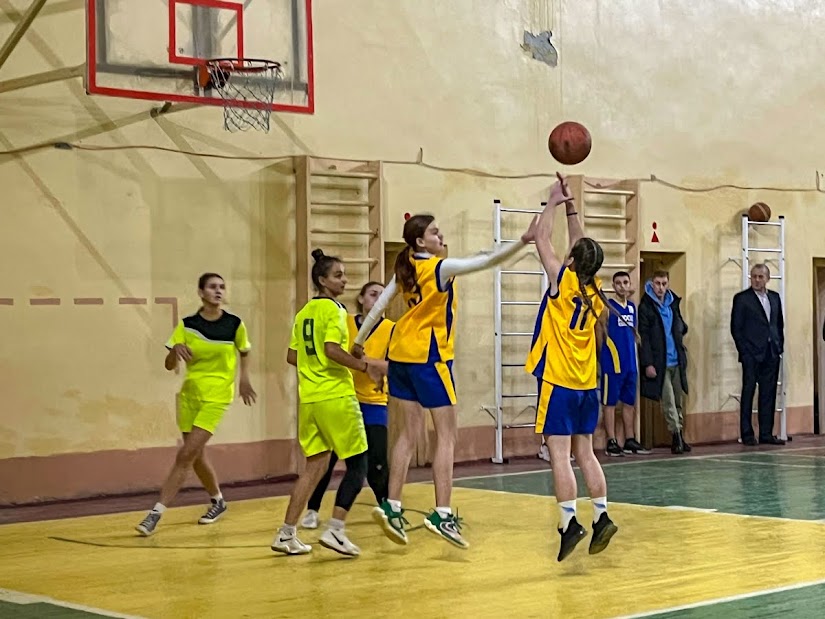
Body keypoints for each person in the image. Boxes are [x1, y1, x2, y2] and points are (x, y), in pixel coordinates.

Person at [353, 212, 538, 549]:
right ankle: (441, 513)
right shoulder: (438, 267)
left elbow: (379, 306)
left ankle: (392, 506)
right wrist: (522, 241)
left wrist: (359, 341)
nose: (441, 236)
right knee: (447, 437)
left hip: (400, 357)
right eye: (435, 232)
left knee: (408, 434)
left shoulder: (406, 265)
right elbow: (486, 261)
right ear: (421, 241)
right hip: (429, 358)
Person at [526, 174, 618, 562]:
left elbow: (541, 237)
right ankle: (601, 515)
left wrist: (550, 202)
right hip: (586, 386)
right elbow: (578, 245)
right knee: (587, 454)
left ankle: (568, 524)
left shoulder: (561, 282)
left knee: (560, 457)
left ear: (571, 262)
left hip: (559, 384)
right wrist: (571, 206)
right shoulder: (596, 293)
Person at [271, 250, 385, 557]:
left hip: (310, 399)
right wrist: (366, 367)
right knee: (359, 464)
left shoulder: (304, 312)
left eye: (345, 274)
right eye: (338, 275)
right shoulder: (334, 311)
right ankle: (336, 529)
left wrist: (319, 365)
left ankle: (286, 534)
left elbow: (293, 356)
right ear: (322, 280)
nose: (344, 279)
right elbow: (332, 350)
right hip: (335, 396)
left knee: (314, 468)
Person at [135, 273, 256, 536]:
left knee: (185, 454)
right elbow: (169, 365)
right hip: (190, 395)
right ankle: (218, 501)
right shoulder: (187, 325)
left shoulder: (235, 323)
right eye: (213, 287)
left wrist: (244, 379)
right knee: (197, 455)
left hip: (217, 396)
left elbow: (245, 351)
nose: (219, 291)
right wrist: (174, 350)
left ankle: (155, 513)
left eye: (222, 287)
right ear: (201, 292)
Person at [300, 281, 394, 529]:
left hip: (374, 401)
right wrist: (359, 364)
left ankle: (388, 508)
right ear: (361, 298)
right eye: (373, 294)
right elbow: (331, 351)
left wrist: (367, 362)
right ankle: (312, 509)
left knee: (376, 461)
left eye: (383, 296)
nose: (378, 299)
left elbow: (394, 366)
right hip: (342, 397)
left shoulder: (391, 329)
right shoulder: (344, 320)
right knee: (327, 459)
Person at [730, 263, 785, 446]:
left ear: (767, 279)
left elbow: (778, 325)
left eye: (760, 277)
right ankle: (747, 434)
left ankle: (766, 434)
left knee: (768, 394)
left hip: (771, 353)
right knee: (748, 392)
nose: (756, 280)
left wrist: (779, 346)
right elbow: (736, 328)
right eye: (754, 276)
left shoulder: (775, 298)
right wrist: (744, 352)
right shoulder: (742, 299)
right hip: (751, 354)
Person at [638, 271, 690, 454]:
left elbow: (680, 325)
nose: (661, 287)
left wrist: (681, 328)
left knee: (678, 401)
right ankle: (675, 435)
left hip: (676, 359)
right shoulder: (645, 307)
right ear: (652, 284)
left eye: (664, 283)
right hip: (659, 363)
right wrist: (648, 363)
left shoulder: (673, 303)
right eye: (657, 283)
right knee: (667, 401)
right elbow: (643, 338)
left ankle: (681, 434)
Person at [601, 271, 649, 456]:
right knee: (610, 403)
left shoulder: (631, 307)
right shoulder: (607, 307)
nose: (622, 286)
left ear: (630, 285)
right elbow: (600, 334)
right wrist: (602, 359)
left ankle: (630, 439)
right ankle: (611, 441)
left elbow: (634, 334)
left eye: (625, 282)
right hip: (612, 364)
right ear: (613, 286)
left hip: (630, 364)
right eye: (618, 283)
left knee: (629, 402)